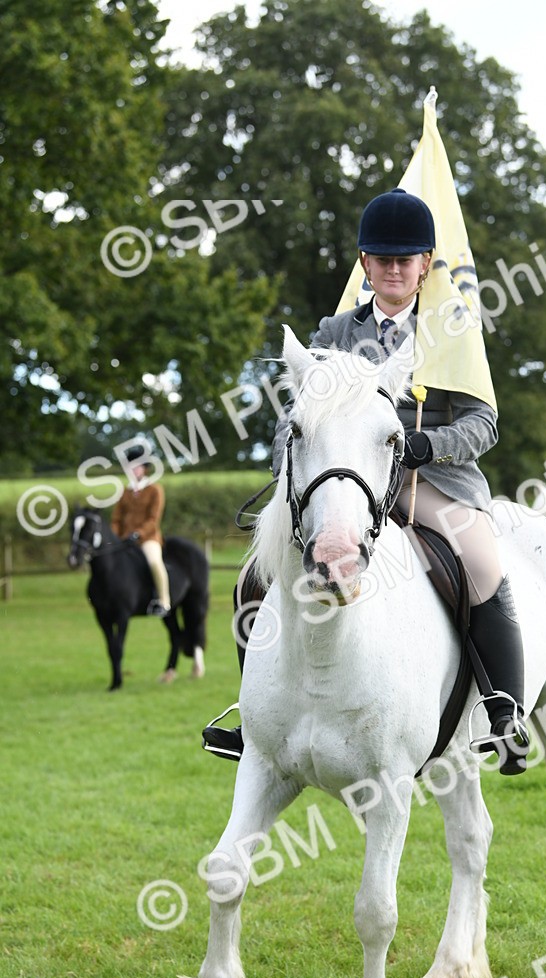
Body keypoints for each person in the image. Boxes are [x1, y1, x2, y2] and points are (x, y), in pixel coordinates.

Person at [203, 188, 529, 773]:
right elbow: (297, 417)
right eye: (383, 259)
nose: (395, 269)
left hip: (432, 483)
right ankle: (257, 716)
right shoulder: (332, 332)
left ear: (426, 264)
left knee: (481, 564)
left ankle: (505, 712)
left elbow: (485, 423)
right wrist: (287, 467)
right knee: (255, 573)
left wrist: (429, 445)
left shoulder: (453, 331)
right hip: (345, 482)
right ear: (365, 264)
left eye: (406, 259)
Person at [111, 447, 171, 617]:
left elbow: (154, 519)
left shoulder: (155, 490)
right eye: (130, 466)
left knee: (153, 561)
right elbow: (116, 518)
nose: (133, 470)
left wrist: (138, 533)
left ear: (144, 468)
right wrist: (114, 535)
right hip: (125, 539)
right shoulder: (125, 491)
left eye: (137, 466)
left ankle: (163, 601)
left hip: (148, 538)